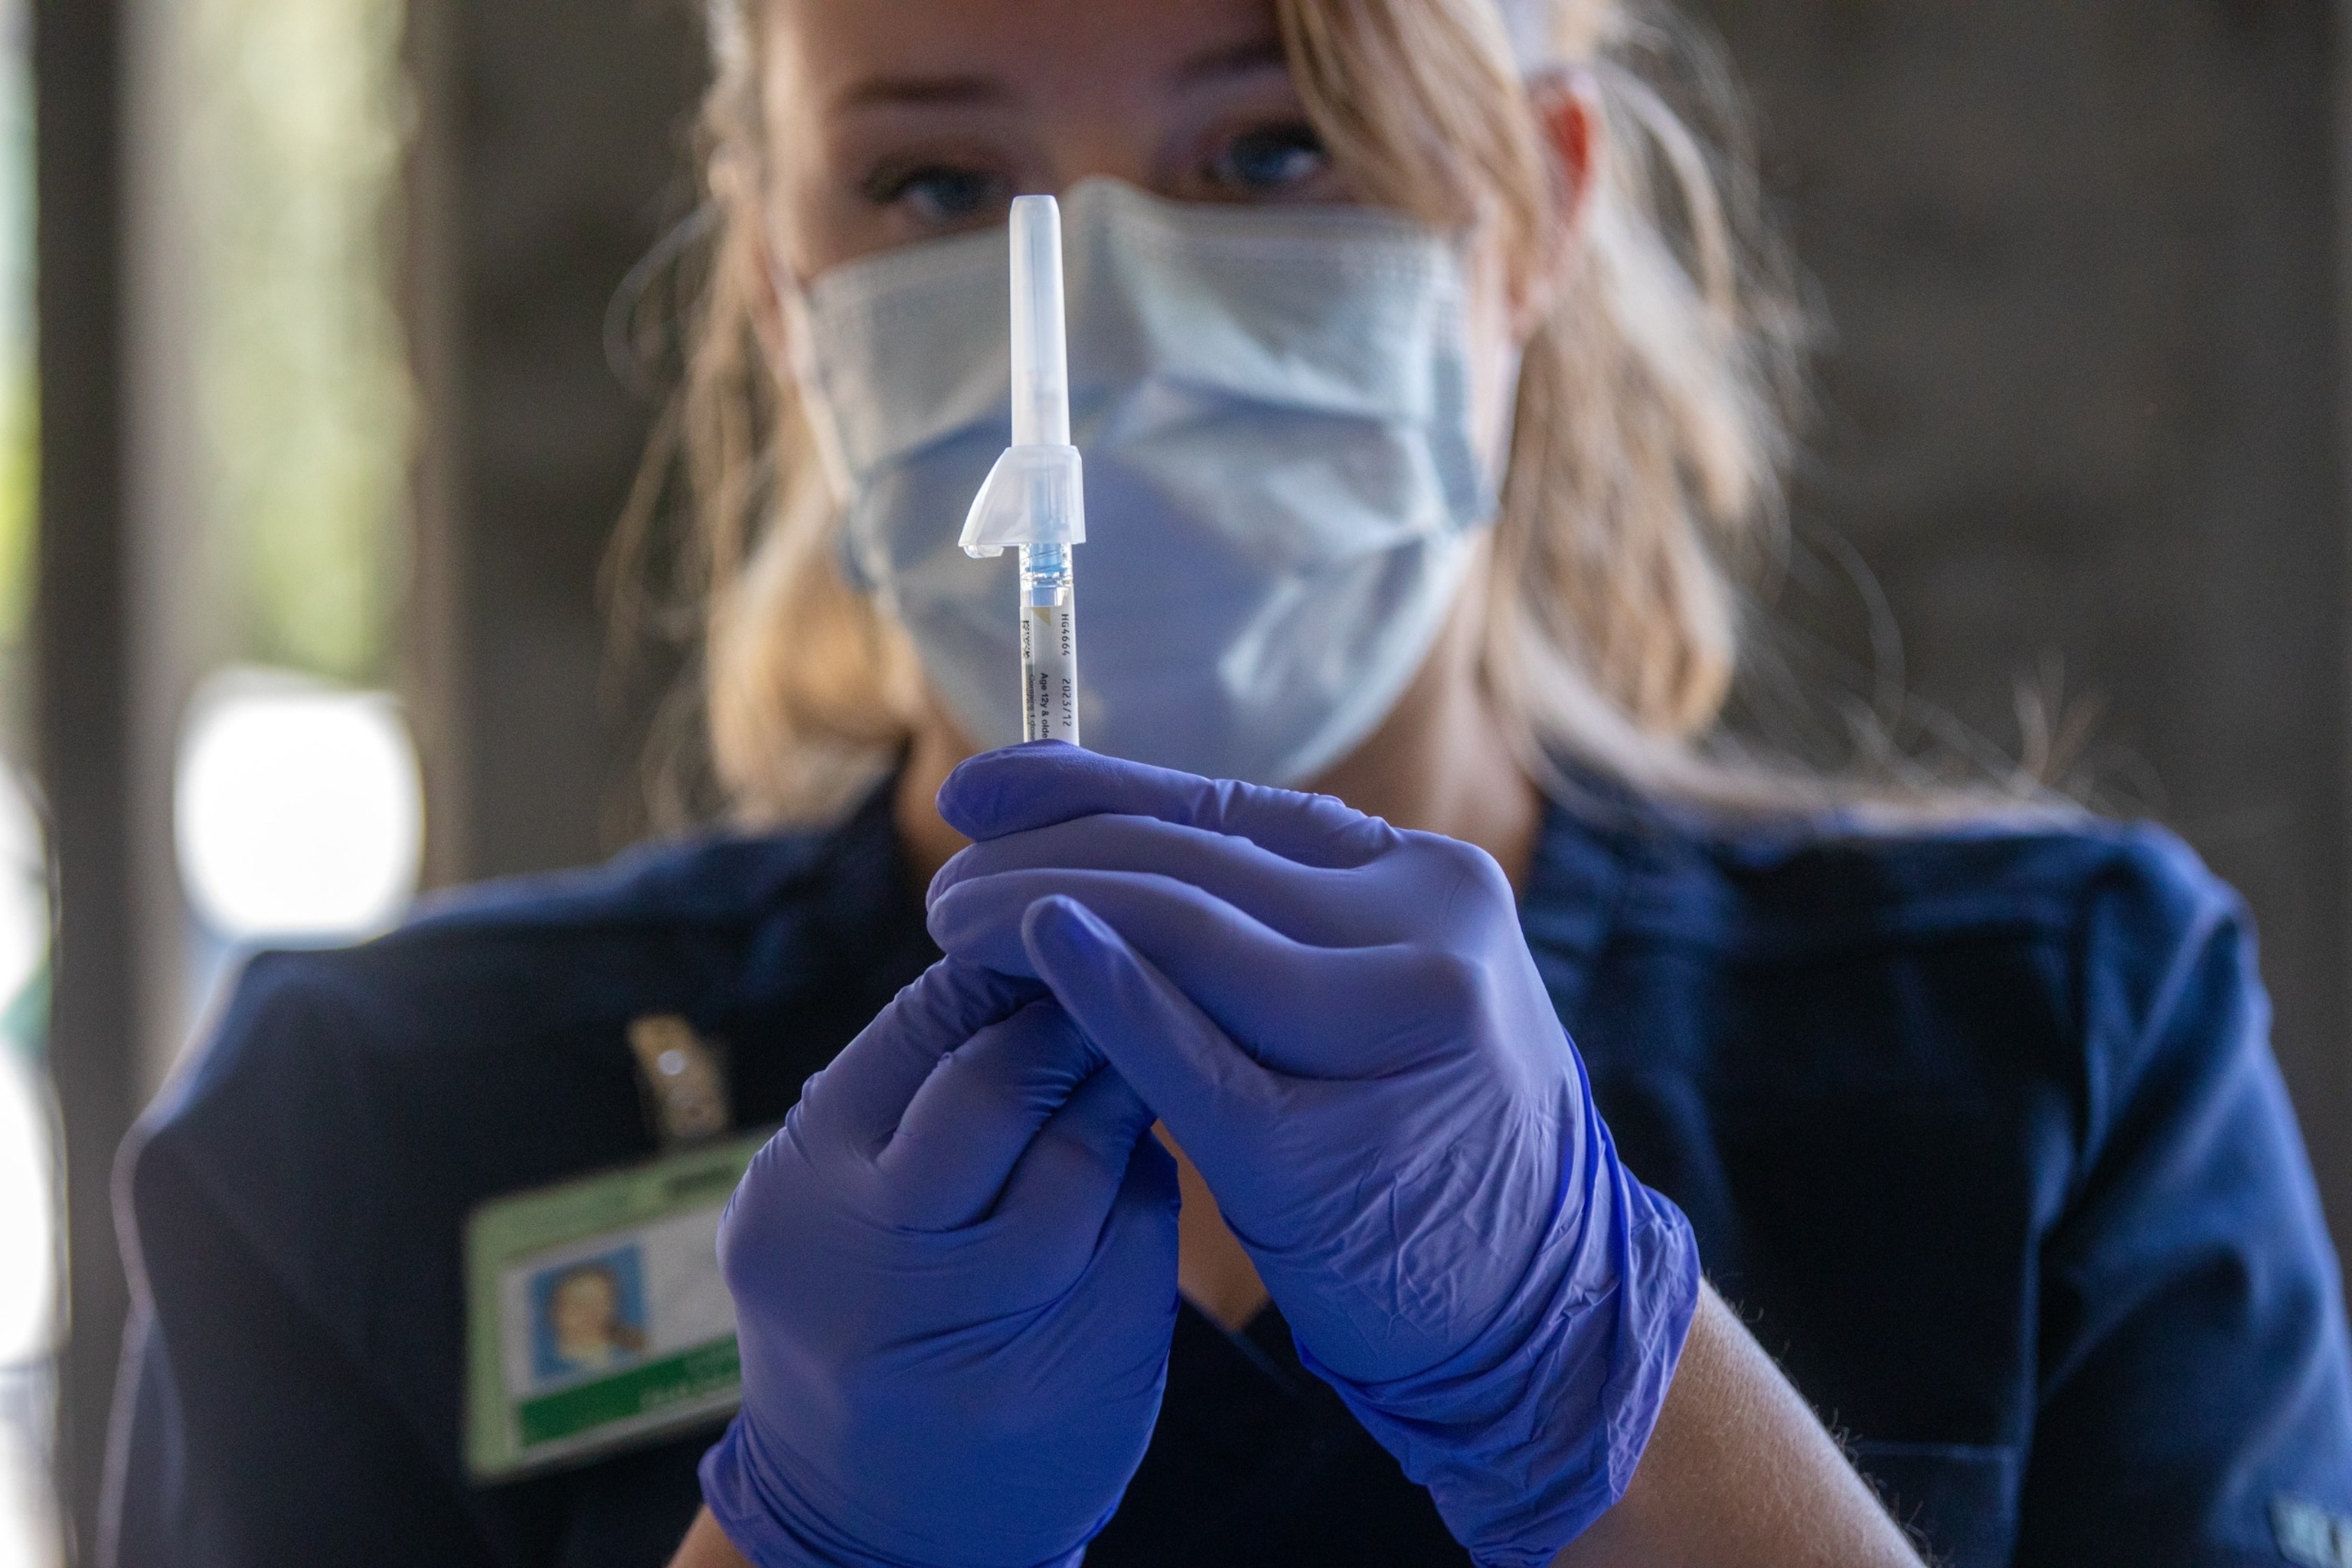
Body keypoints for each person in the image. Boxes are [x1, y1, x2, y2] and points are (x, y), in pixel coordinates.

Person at [103, 0, 2352, 1565]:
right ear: (781, 274)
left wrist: (1608, 1381)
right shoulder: (375, 1135)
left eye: (1273, 144)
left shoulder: (2054, 1042)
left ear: (1535, 212)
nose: (1102, 306)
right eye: (931, 177)